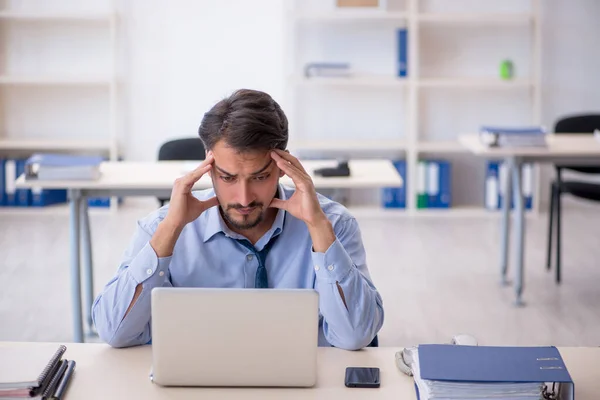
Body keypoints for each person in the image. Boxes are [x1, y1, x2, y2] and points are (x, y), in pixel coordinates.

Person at [92, 89, 384, 350]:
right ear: (208, 164)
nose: (244, 198)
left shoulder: (333, 224)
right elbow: (114, 332)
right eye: (228, 177)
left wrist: (319, 229)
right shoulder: (161, 227)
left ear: (284, 166)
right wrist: (170, 230)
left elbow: (356, 336)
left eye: (259, 177)